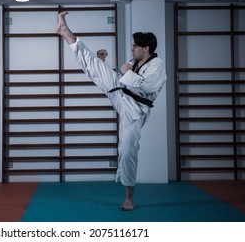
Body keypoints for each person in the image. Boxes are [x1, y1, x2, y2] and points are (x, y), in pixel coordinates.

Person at [56, 11, 166, 211]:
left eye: (135, 46)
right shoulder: (133, 63)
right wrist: (105, 64)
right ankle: (65, 32)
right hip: (121, 94)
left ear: (146, 48)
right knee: (93, 63)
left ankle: (129, 199)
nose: (132, 48)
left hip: (135, 109)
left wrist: (126, 72)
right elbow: (123, 77)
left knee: (127, 149)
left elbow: (147, 87)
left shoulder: (157, 65)